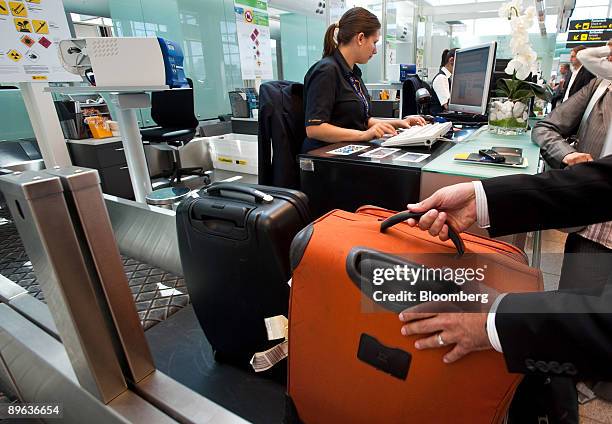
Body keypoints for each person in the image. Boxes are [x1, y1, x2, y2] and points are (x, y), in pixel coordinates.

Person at [301, 7, 426, 153]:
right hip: (324, 156)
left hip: (348, 150)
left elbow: (362, 121)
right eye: (374, 42)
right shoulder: (326, 71)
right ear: (360, 38)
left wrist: (399, 123)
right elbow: (314, 129)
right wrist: (363, 135)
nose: (375, 50)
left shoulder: (353, 74)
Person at [430, 48, 457, 114]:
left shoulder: (447, 78)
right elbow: (448, 106)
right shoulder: (441, 78)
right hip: (440, 120)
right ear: (451, 60)